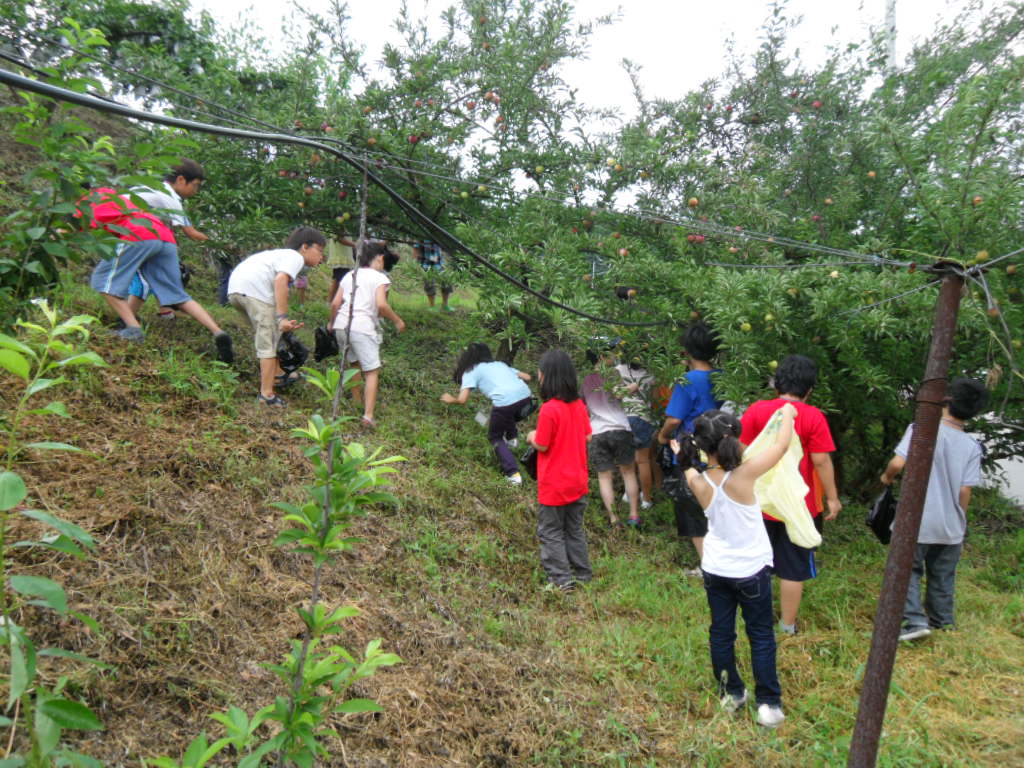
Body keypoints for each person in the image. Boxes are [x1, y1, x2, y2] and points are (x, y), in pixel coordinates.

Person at [674, 405, 797, 729]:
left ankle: (732, 693)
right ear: (734, 440)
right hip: (751, 570)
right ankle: (768, 704)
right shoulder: (745, 474)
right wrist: (787, 413)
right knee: (760, 636)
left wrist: (681, 453)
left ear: (703, 445)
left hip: (715, 568)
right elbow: (780, 446)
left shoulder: (698, 481)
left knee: (721, 633)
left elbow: (687, 467)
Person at [739, 354, 841, 635]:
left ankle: (756, 619)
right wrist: (832, 497)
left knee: (756, 562)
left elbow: (740, 450)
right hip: (799, 505)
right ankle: (787, 626)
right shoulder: (814, 416)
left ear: (776, 384)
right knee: (792, 568)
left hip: (758, 500)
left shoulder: (757, 410)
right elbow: (821, 461)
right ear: (809, 389)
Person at [880, 377, 987, 642]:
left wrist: (887, 478)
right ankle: (943, 623)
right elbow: (965, 490)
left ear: (946, 399)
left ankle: (914, 622)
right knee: (942, 576)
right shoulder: (972, 446)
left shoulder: (922, 429)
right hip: (951, 525)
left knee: (907, 570)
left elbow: (897, 463)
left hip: (917, 520)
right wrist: (960, 519)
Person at [79, 186, 233, 362]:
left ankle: (133, 329)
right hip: (163, 235)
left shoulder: (85, 202)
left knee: (103, 280)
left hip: (138, 233)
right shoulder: (111, 193)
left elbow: (77, 228)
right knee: (177, 295)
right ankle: (218, 331)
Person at [226, 227, 327, 406]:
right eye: (319, 251)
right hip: (255, 293)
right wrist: (282, 317)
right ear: (305, 247)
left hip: (236, 291)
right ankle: (266, 395)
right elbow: (280, 280)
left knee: (271, 335)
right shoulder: (295, 257)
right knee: (269, 345)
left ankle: (279, 374)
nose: (321, 257)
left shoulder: (278, 255)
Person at [657, 323, 723, 567]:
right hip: (719, 451)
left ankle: (709, 566)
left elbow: (674, 418)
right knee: (716, 506)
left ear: (687, 351)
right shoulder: (722, 377)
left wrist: (663, 437)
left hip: (691, 452)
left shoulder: (688, 380)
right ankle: (722, 560)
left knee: (693, 509)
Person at [527, 350, 592, 592]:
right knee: (573, 528)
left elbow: (542, 444)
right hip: (577, 479)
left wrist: (531, 436)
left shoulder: (549, 409)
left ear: (546, 376)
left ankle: (561, 580)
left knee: (551, 531)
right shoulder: (578, 406)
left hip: (554, 482)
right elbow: (588, 435)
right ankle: (583, 574)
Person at [328, 241, 406, 427]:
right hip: (362, 328)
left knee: (353, 364)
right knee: (371, 371)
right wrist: (397, 320)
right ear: (379, 258)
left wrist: (332, 322)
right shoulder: (380, 278)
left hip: (342, 325)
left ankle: (356, 403)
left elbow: (335, 303)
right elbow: (381, 305)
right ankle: (368, 416)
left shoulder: (349, 274)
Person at [127, 158, 212, 321]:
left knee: (160, 270)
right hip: (129, 235)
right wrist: (219, 243)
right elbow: (191, 233)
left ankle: (164, 310)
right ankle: (126, 321)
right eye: (195, 185)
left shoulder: (154, 189)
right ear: (181, 179)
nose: (196, 190)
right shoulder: (168, 196)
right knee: (144, 281)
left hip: (131, 232)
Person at [441, 343, 533, 485]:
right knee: (500, 415)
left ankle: (513, 474)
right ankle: (512, 438)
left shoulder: (471, 371)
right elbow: (527, 377)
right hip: (527, 399)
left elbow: (462, 400)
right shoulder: (499, 364)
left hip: (505, 403)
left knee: (495, 436)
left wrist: (450, 399)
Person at [583, 352, 641, 527]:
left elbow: (583, 406)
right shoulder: (612, 374)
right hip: (619, 428)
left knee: (604, 477)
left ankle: (614, 520)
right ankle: (633, 516)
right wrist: (633, 386)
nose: (615, 356)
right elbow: (618, 394)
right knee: (628, 472)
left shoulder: (586, 380)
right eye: (610, 353)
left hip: (597, 432)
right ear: (601, 356)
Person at [614, 356, 657, 510]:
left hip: (624, 417)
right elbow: (655, 396)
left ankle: (628, 491)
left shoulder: (618, 370)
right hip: (643, 417)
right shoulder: (650, 373)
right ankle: (646, 499)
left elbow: (614, 394)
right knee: (643, 461)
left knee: (626, 459)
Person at [413, 240, 454, 310]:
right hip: (426, 265)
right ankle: (432, 306)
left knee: (447, 282)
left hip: (439, 265)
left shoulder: (437, 236)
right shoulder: (421, 238)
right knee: (430, 285)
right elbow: (415, 251)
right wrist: (416, 265)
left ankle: (445, 305)